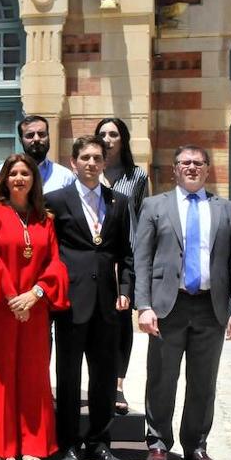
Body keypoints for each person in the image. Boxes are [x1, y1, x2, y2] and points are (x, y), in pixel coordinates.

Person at [135, 145, 231, 460]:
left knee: (203, 382)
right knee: (162, 378)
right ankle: (158, 442)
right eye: (185, 163)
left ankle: (196, 446)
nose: (191, 168)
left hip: (210, 309)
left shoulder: (226, 209)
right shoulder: (154, 206)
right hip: (168, 307)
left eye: (198, 163)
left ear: (207, 169)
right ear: (174, 169)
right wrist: (144, 305)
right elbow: (141, 260)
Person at [46, 136, 133, 460]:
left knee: (103, 377)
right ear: (73, 162)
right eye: (85, 158)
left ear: (104, 162)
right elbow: (48, 251)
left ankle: (99, 441)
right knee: (68, 377)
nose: (92, 163)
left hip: (108, 304)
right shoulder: (56, 201)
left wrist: (126, 288)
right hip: (70, 301)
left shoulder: (119, 202)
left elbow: (125, 253)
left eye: (97, 158)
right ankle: (68, 442)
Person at [0, 153, 69, 460]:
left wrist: (35, 294)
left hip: (35, 308)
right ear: (4, 179)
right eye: (13, 173)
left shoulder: (45, 217)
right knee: (2, 375)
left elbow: (55, 263)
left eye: (25, 174)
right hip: (2, 310)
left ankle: (34, 442)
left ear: (34, 180)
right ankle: (2, 443)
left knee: (34, 376)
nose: (19, 178)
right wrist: (13, 299)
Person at [95, 116, 150, 415]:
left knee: (120, 323)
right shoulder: (90, 170)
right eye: (102, 134)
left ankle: (117, 384)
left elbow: (143, 217)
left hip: (126, 256)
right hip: (95, 256)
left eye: (113, 134)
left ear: (123, 139)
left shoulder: (137, 175)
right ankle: (93, 382)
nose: (107, 138)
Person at [0, 115, 76, 194]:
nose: (37, 139)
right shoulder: (1, 173)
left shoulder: (65, 176)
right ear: (20, 140)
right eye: (30, 135)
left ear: (48, 137)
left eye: (42, 134)